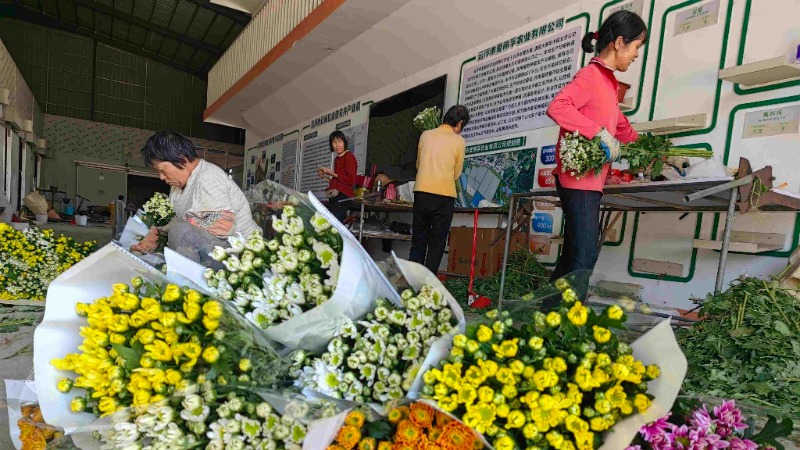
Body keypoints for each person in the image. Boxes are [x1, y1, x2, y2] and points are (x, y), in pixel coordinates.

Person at [546, 10, 646, 283]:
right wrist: (598, 133)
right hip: (580, 182)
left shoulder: (609, 83)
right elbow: (557, 106)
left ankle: (543, 317)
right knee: (583, 259)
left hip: (590, 182)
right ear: (620, 42)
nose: (636, 54)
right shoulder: (591, 76)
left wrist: (654, 150)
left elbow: (622, 126)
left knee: (574, 257)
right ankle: (568, 323)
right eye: (636, 47)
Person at [130, 131, 259, 266]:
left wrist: (169, 229)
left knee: (180, 232)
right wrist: (155, 235)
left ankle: (189, 284)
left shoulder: (208, 179)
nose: (161, 177)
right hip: (216, 247)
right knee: (170, 238)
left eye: (162, 170)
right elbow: (177, 219)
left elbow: (222, 227)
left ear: (181, 160)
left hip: (242, 252)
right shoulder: (177, 187)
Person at [409, 105, 469, 274]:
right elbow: (456, 173)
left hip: (421, 193)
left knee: (418, 239)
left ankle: (411, 282)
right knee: (436, 243)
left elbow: (418, 165)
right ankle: (427, 285)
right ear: (459, 123)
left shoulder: (425, 135)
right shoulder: (459, 141)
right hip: (444, 196)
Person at [317, 130, 357, 222]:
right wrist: (323, 177)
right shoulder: (337, 159)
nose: (337, 145)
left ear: (344, 142)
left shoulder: (349, 156)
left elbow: (351, 180)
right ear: (331, 145)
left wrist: (331, 173)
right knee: (329, 225)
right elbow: (337, 182)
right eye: (334, 142)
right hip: (334, 197)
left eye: (339, 141)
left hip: (343, 198)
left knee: (334, 226)